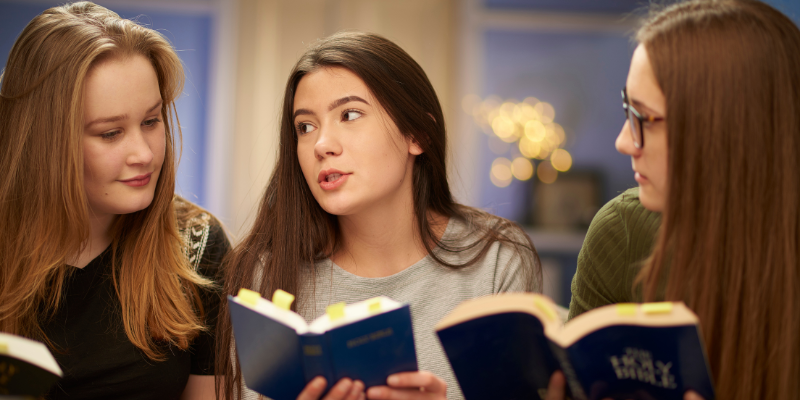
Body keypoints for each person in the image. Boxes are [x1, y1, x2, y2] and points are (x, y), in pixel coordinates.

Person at [216, 32, 541, 400]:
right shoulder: (264, 271)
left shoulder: (497, 260)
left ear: (417, 134)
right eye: (305, 127)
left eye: (349, 115)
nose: (322, 145)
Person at [554, 0, 800, 399]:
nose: (622, 142)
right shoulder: (623, 229)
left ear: (723, 129)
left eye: (644, 118)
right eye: (625, 109)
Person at [0, 2, 229, 398]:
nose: (143, 154)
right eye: (110, 133)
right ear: (44, 143)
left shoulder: (198, 244)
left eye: (151, 121)